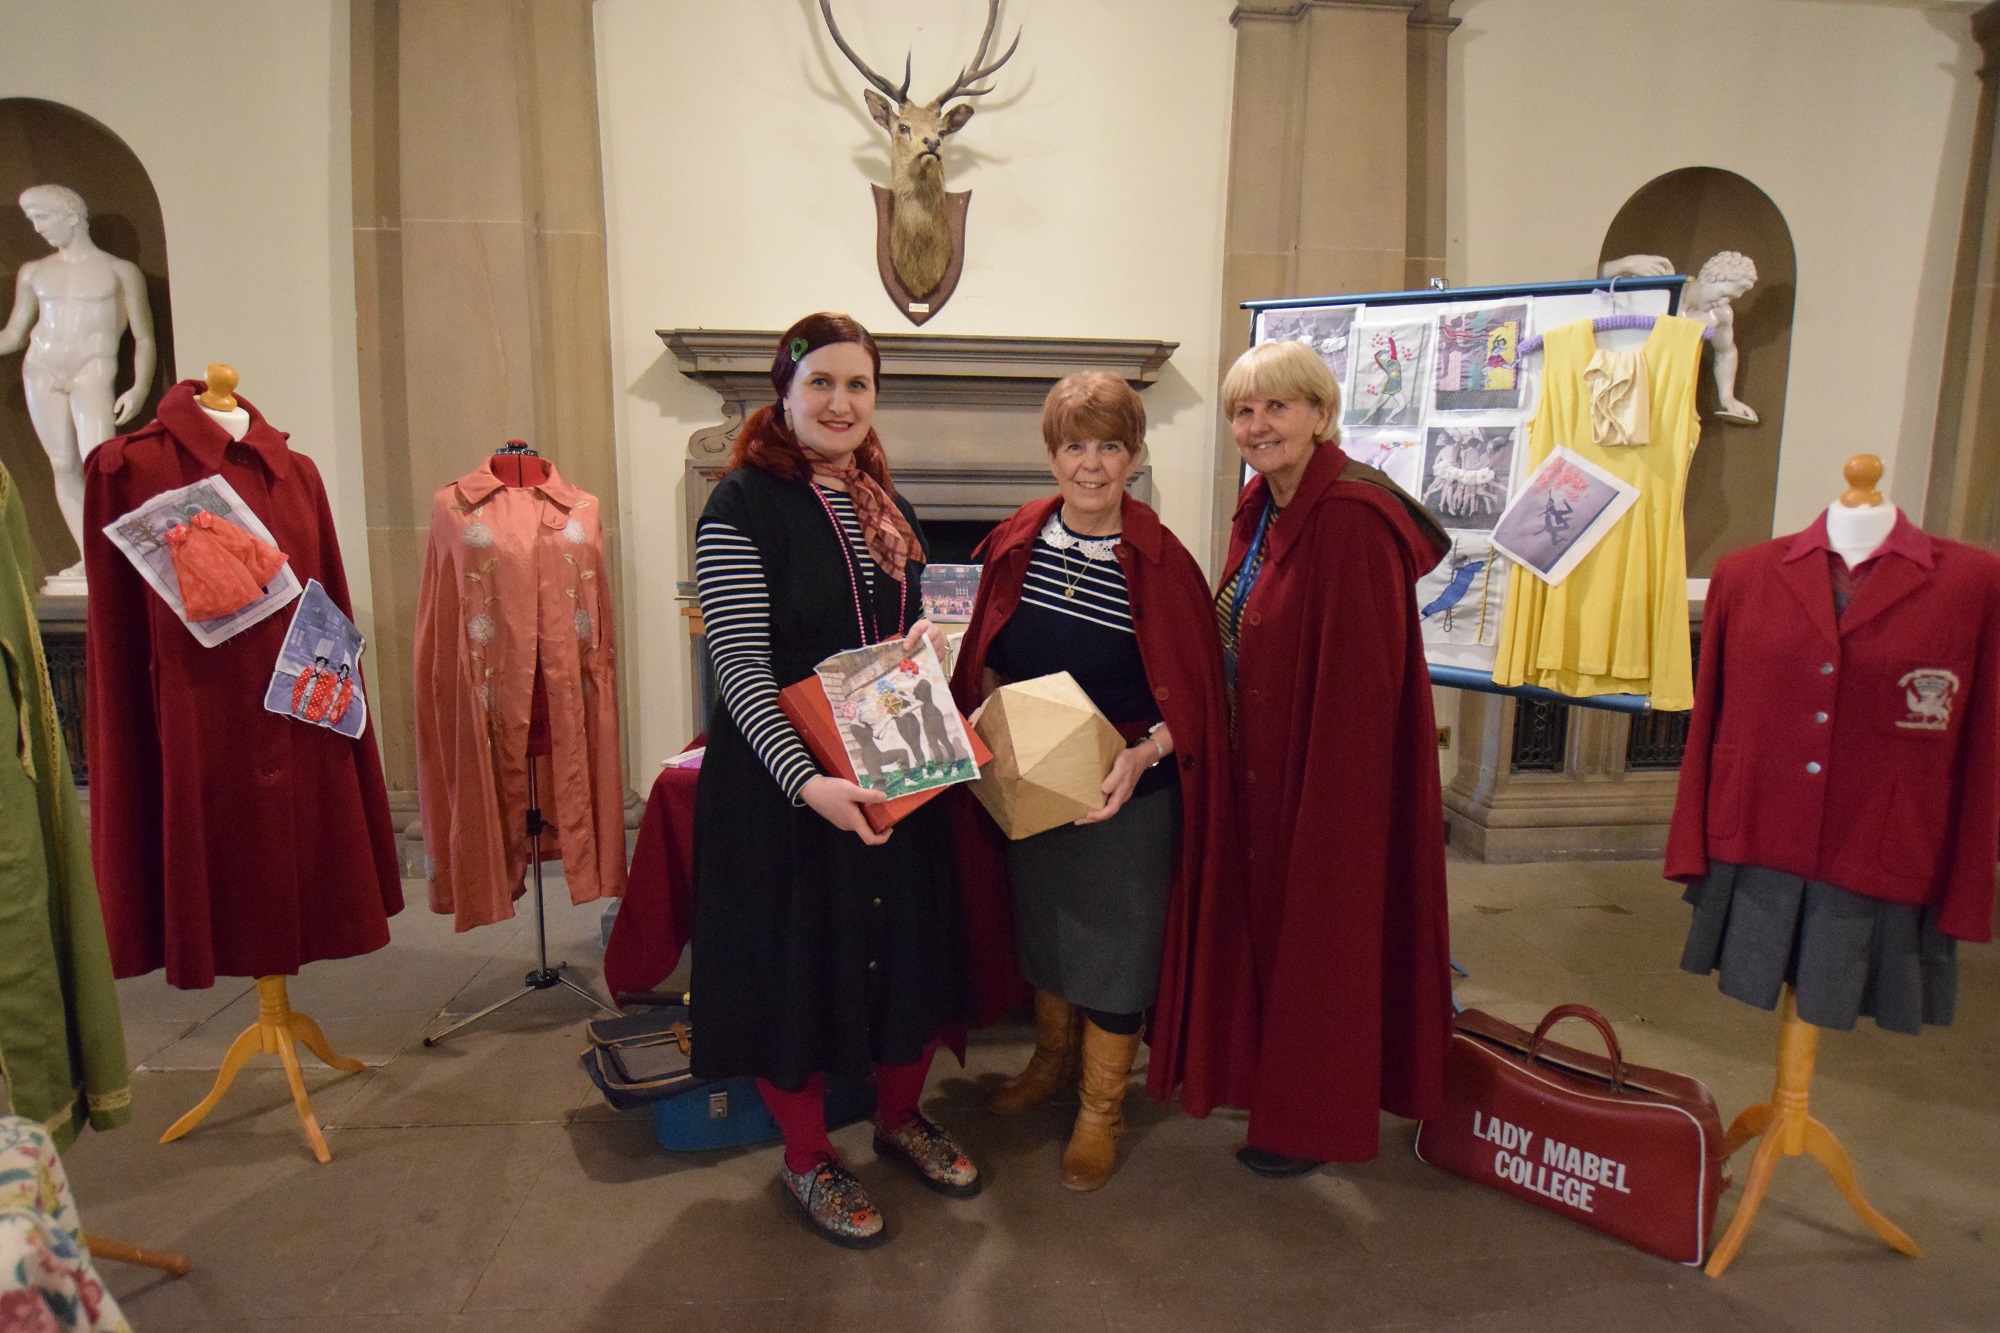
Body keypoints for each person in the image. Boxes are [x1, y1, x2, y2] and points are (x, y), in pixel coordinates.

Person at [691, 313, 977, 1248]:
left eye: (859, 384)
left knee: (907, 953)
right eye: (822, 382)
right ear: (785, 390)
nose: (841, 402)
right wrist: (804, 782)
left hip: (895, 773)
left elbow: (898, 638)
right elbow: (737, 664)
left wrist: (937, 676)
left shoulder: (883, 502)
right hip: (790, 796)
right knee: (796, 973)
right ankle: (808, 1154)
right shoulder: (740, 503)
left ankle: (899, 1118)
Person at [951, 372, 1246, 1190]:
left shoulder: (1160, 559)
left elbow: (1195, 694)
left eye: (1109, 445)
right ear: (1051, 455)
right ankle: (1051, 1061)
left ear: (1134, 456)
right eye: (1075, 444)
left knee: (1117, 952)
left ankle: (1100, 1110)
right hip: (1033, 781)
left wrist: (1146, 753)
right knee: (1046, 929)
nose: (1091, 463)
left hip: (1128, 791)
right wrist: (985, 713)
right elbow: (988, 651)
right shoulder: (1017, 538)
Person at [1211, 339, 1454, 1176]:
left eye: (1278, 406)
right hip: (1266, 764)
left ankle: (1310, 1122)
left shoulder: (1350, 519)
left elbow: (1360, 694)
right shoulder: (1267, 506)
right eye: (1244, 410)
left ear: (1321, 414)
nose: (1257, 424)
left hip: (1328, 784)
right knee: (1277, 939)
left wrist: (1331, 813)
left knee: (1324, 941)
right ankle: (1280, 1091)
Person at [0, 185, 156, 582]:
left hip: (92, 368)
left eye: (43, 217)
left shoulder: (119, 270)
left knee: (99, 464)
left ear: (71, 214)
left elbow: (144, 337)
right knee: (63, 463)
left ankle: (113, 559)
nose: (37, 229)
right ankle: (90, 560)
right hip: (42, 368)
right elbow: (15, 334)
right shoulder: (34, 271)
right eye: (32, 220)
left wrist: (138, 387)